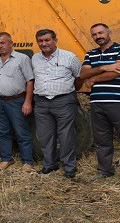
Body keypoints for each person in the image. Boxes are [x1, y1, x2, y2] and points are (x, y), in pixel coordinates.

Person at [80, 23, 120, 188]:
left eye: (101, 32)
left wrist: (94, 78)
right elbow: (83, 74)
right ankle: (105, 170)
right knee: (102, 140)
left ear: (109, 32)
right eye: (94, 34)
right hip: (97, 102)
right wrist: (104, 67)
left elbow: (119, 70)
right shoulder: (91, 54)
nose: (98, 36)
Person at [31, 29, 83, 179]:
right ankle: (49, 165)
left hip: (63, 101)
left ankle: (69, 167)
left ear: (55, 40)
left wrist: (70, 91)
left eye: (47, 40)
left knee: (66, 135)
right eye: (40, 41)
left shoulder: (69, 57)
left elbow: (79, 77)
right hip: (41, 102)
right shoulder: (35, 58)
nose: (44, 43)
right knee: (45, 136)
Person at [0, 32, 35, 172]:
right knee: (2, 131)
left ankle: (27, 162)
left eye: (3, 43)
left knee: (21, 131)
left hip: (16, 101)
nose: (0, 46)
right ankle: (6, 158)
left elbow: (30, 81)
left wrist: (27, 102)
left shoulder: (22, 58)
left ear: (11, 43)